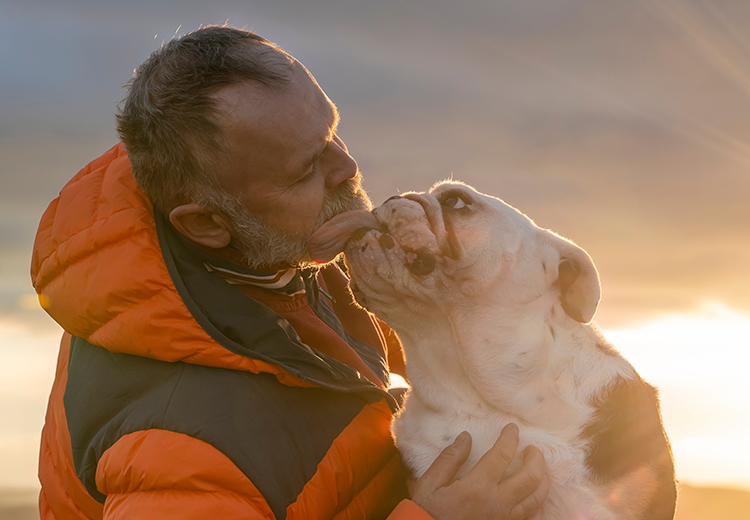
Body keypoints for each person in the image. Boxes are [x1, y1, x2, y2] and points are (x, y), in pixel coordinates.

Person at [31, 26, 549, 520]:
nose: (346, 167)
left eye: (332, 132)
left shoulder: (264, 237)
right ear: (208, 223)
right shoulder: (183, 453)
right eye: (305, 170)